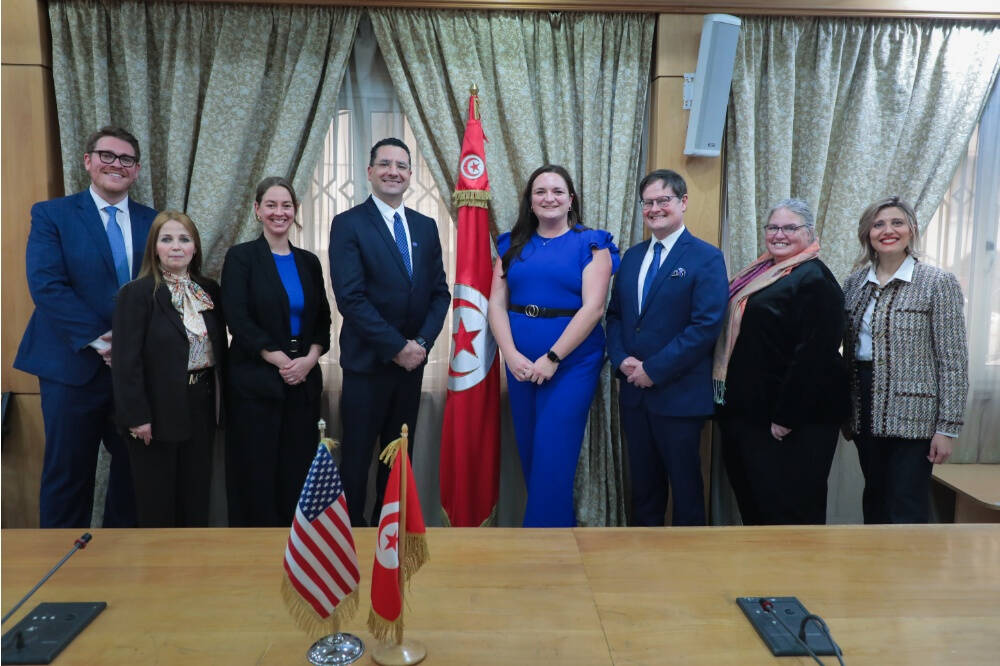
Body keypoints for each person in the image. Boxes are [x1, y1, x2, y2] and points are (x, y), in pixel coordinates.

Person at [14, 125, 155, 528]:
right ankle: (61, 575)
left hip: (132, 373)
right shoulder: (52, 215)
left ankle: (120, 565)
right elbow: (46, 284)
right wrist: (103, 340)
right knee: (68, 477)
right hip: (70, 367)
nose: (116, 165)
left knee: (132, 478)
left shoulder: (154, 221)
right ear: (88, 162)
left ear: (137, 170)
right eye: (107, 156)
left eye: (126, 159)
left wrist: (130, 348)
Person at [487, 164, 619, 527]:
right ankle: (558, 541)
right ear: (530, 202)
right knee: (531, 453)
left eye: (558, 191)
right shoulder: (511, 244)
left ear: (571, 199)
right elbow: (495, 303)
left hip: (572, 364)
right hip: (520, 364)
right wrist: (511, 355)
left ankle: (541, 555)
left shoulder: (592, 242)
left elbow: (593, 308)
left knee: (552, 456)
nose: (549, 198)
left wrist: (553, 357)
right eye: (540, 192)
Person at [329, 138, 450, 526]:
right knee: (358, 458)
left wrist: (421, 345)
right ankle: (352, 543)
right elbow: (351, 298)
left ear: (411, 175)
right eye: (384, 164)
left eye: (401, 165)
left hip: (410, 368)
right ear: (369, 172)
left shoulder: (426, 227)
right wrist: (397, 347)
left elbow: (439, 294)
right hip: (368, 367)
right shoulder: (348, 224)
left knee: (399, 459)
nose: (393, 171)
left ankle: (389, 539)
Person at [713, 198, 848, 525]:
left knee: (789, 512)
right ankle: (762, 576)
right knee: (756, 506)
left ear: (810, 233)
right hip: (751, 414)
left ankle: (798, 577)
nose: (779, 234)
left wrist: (786, 417)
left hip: (790, 423)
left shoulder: (814, 279)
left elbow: (815, 357)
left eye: (790, 228)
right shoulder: (763, 271)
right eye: (773, 227)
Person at [606, 169, 728, 526]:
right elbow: (615, 316)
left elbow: (705, 326)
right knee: (643, 491)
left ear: (683, 203)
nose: (655, 208)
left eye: (664, 200)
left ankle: (690, 575)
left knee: (687, 492)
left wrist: (653, 370)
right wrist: (622, 360)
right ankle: (643, 569)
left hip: (679, 397)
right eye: (649, 202)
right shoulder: (631, 256)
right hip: (633, 395)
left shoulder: (706, 257)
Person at [842, 196, 968, 524]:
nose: (888, 231)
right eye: (879, 224)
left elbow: (952, 360)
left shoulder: (937, 283)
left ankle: (910, 574)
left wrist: (947, 428)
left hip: (915, 415)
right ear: (867, 233)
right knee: (875, 499)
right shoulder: (854, 284)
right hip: (865, 406)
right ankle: (876, 572)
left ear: (911, 230)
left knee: (906, 505)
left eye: (897, 223)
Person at [221, 177, 331, 526]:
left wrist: (310, 359)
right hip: (256, 381)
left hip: (303, 382)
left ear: (295, 212)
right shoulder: (241, 258)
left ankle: (295, 551)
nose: (278, 212)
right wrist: (278, 358)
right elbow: (236, 317)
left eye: (286, 206)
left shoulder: (309, 261)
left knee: (297, 470)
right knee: (256, 473)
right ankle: (253, 553)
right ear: (257, 210)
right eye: (271, 205)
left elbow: (323, 320)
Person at [111, 212, 225, 527]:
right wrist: (137, 417)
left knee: (196, 497)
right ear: (154, 248)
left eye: (184, 239)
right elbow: (125, 363)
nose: (176, 247)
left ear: (195, 248)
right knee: (158, 504)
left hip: (200, 405)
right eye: (167, 239)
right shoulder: (136, 294)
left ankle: (194, 573)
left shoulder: (209, 290)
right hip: (155, 413)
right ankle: (160, 573)